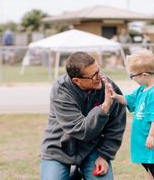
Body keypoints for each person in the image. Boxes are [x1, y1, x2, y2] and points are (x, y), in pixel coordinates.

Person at [41, 52, 127, 180]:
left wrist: (104, 155)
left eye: (99, 70)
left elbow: (116, 125)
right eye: (93, 75)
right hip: (59, 147)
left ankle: (83, 171)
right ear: (76, 80)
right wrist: (103, 108)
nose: (99, 77)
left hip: (92, 148)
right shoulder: (61, 91)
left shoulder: (108, 86)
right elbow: (81, 130)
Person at [109, 50, 154, 180]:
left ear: (144, 75)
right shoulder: (142, 89)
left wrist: (151, 136)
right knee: (151, 173)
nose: (132, 79)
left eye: (132, 76)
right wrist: (115, 96)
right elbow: (128, 100)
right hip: (146, 144)